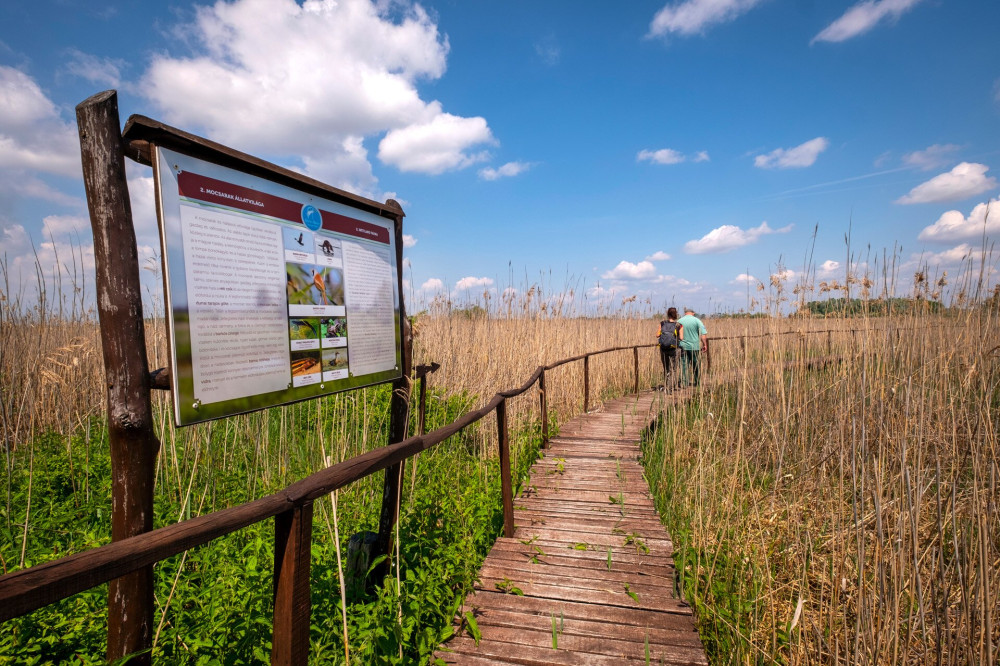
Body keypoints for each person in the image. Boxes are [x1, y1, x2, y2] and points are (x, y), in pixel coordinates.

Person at [677, 307, 708, 387]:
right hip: (694, 347)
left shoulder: (679, 321)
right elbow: (703, 335)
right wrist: (704, 344)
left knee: (684, 365)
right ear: (693, 313)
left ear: (685, 313)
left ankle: (684, 383)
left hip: (682, 346)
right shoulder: (697, 321)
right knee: (696, 365)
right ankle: (697, 382)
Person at [657, 307, 681, 390]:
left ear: (667, 314)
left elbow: (657, 335)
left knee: (666, 368)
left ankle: (666, 385)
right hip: (674, 349)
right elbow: (681, 337)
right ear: (676, 314)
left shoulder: (662, 323)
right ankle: (670, 387)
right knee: (673, 368)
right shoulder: (678, 325)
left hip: (663, 348)